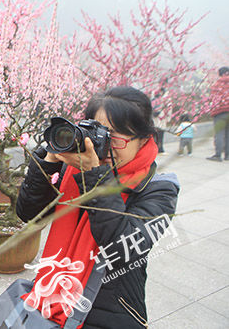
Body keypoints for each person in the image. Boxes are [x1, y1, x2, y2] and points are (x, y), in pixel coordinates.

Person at [16, 86, 179, 328]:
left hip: (111, 312)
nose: (104, 144)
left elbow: (123, 248)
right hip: (49, 300)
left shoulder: (159, 188)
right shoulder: (74, 169)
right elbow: (29, 213)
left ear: (144, 139)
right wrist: (47, 163)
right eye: (98, 132)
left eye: (116, 138)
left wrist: (96, 175)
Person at [207, 66, 229, 161]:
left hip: (220, 112)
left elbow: (212, 99)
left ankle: (218, 155)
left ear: (220, 74)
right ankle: (227, 155)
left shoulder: (216, 85)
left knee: (219, 133)